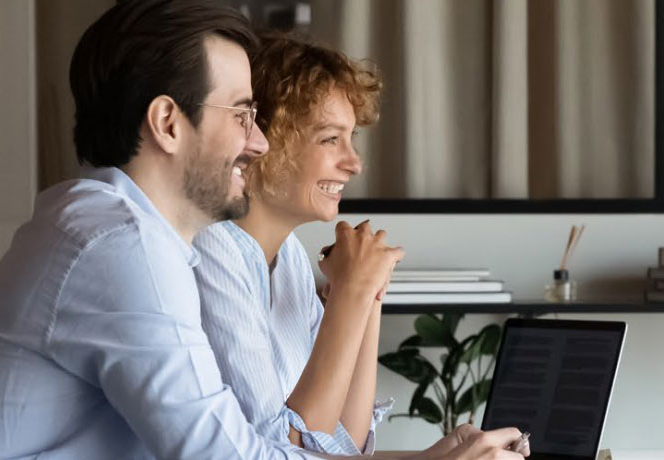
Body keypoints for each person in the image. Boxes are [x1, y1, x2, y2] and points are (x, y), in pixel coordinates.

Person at [0, 0, 529, 460]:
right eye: (243, 114)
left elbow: (261, 446)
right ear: (168, 123)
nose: (257, 142)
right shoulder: (120, 247)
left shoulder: (127, 235)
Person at [193, 33, 532, 459]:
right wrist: (351, 294)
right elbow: (283, 450)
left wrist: (369, 295)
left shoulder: (290, 257)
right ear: (264, 138)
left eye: (351, 139)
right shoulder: (212, 251)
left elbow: (344, 444)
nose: (354, 162)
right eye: (330, 139)